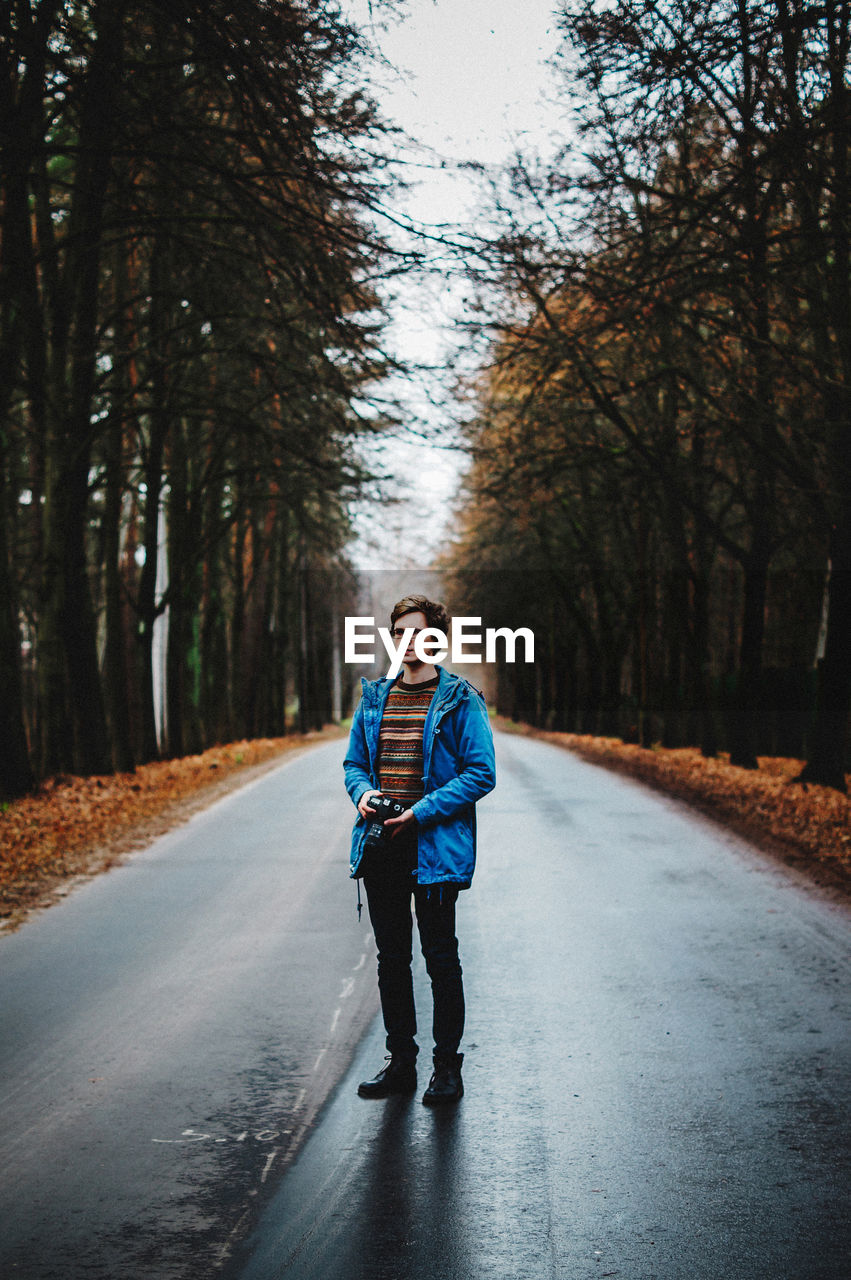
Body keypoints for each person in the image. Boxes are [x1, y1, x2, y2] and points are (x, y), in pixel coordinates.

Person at [343, 594, 496, 1104]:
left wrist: (422, 811)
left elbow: (481, 773)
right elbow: (354, 765)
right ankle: (401, 1063)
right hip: (382, 845)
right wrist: (364, 793)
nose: (410, 642)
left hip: (432, 850)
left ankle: (447, 1069)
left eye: (420, 633)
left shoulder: (459, 700)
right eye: (401, 633)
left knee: (440, 958)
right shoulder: (373, 699)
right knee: (391, 959)